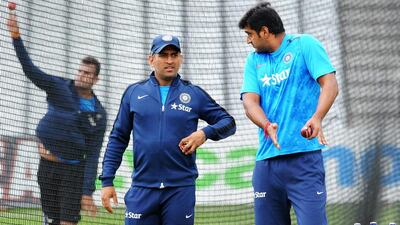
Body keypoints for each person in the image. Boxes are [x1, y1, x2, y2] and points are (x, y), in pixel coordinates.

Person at [99, 34, 236, 225]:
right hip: (142, 188)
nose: (170, 60)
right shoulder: (134, 93)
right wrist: (107, 181)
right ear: (151, 59)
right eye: (163, 55)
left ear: (181, 58)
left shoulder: (193, 93)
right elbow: (118, 138)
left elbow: (228, 122)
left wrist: (204, 134)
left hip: (180, 189)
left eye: (174, 54)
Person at [238, 2, 339, 225]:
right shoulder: (254, 60)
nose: (248, 40)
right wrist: (266, 125)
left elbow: (330, 83)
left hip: (304, 160)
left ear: (265, 31)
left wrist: (317, 117)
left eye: (250, 34)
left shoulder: (305, 45)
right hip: (266, 164)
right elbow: (250, 102)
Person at [7, 10, 107, 225]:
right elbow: (30, 69)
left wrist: (87, 191)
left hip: (73, 171)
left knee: (67, 222)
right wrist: (16, 38)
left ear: (96, 79)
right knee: (50, 221)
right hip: (47, 168)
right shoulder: (59, 86)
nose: (82, 75)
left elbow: (93, 153)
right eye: (80, 71)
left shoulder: (99, 114)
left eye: (88, 73)